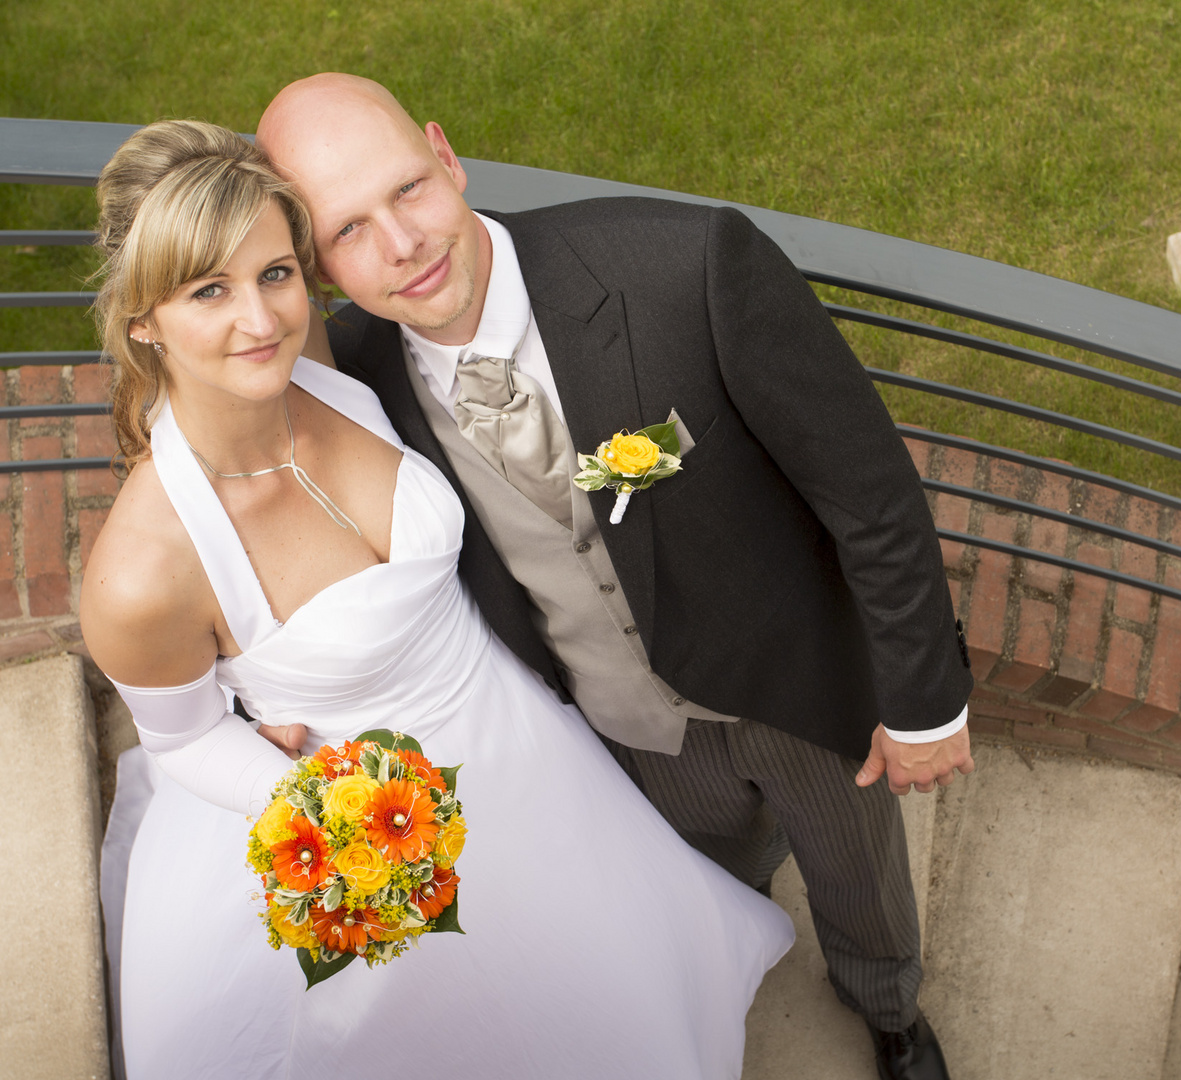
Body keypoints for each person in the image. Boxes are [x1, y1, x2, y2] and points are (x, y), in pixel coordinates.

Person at [254, 74, 975, 1080]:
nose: (402, 244)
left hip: (796, 694)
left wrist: (925, 704)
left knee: (861, 881)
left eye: (409, 191)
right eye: (347, 231)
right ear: (314, 259)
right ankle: (725, 957)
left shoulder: (689, 270)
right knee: (697, 879)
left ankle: (889, 1014)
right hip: (617, 729)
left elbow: (870, 494)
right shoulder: (359, 385)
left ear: (446, 154)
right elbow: (282, 526)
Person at [83, 119, 794, 1079]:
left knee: (601, 982)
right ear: (141, 320)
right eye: (209, 291)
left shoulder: (318, 367)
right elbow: (177, 738)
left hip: (522, 736)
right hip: (371, 822)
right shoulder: (142, 572)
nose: (262, 321)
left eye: (277, 274)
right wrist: (310, 799)